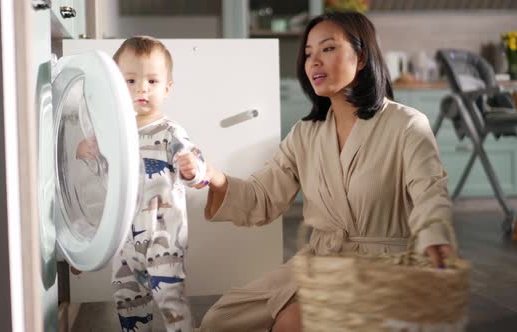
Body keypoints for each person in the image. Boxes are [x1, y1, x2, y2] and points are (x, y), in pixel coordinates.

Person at [182, 12, 456, 332]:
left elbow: (430, 190)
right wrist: (212, 175)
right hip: (319, 260)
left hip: (385, 266)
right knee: (220, 321)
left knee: (293, 323)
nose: (313, 61)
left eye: (327, 49)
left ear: (362, 56)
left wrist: (434, 237)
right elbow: (263, 196)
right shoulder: (306, 133)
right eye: (308, 53)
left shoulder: (407, 124)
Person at [76, 36, 207, 332]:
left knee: (170, 298)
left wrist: (191, 170)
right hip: (121, 237)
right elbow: (99, 171)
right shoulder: (113, 132)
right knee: (127, 299)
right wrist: (85, 151)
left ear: (167, 88)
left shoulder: (171, 132)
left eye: (152, 81)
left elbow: (198, 169)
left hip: (164, 236)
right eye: (131, 80)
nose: (142, 89)